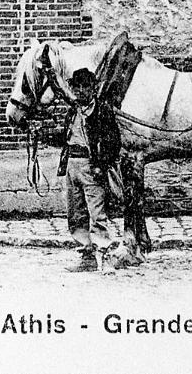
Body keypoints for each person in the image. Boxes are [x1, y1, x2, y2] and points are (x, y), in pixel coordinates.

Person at [59, 67, 121, 273]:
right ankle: (86, 256)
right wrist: (41, 134)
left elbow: (113, 142)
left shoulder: (102, 111)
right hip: (72, 166)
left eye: (86, 86)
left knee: (97, 214)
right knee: (76, 214)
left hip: (91, 166)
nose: (81, 91)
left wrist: (101, 165)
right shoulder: (72, 112)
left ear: (94, 88)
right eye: (77, 87)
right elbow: (64, 139)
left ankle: (104, 257)